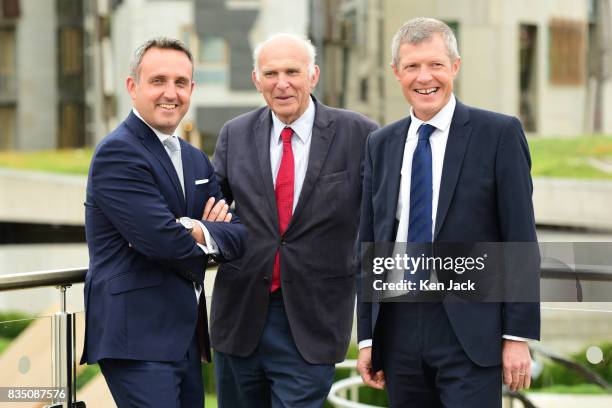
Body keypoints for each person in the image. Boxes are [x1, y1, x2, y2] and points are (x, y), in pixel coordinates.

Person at [356, 18, 540, 407]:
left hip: (470, 332)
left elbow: (520, 239)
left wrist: (517, 336)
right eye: (412, 66)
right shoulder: (380, 144)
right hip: (399, 327)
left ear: (455, 66)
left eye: (436, 64)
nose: (425, 77)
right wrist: (369, 337)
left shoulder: (499, 135)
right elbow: (370, 244)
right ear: (396, 73)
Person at [210, 33, 378, 407]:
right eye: (270, 73)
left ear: (313, 75)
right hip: (239, 318)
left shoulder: (360, 134)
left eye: (292, 71)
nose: (281, 83)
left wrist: (377, 328)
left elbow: (381, 229)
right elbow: (211, 213)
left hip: (312, 323)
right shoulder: (233, 134)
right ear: (256, 80)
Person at [80, 37, 246, 407]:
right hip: (136, 337)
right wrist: (200, 230)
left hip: (184, 337)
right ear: (132, 86)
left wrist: (192, 227)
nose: (170, 93)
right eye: (158, 81)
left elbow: (238, 236)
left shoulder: (194, 159)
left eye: (180, 82)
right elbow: (163, 241)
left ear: (191, 89)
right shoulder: (117, 152)